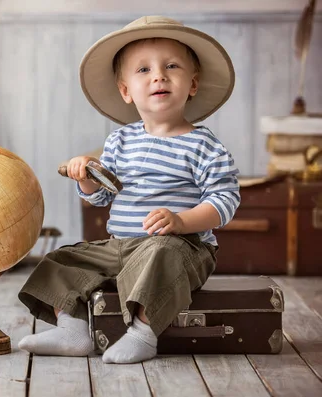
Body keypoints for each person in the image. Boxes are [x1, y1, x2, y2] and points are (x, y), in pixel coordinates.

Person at [17, 15, 241, 364]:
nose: (159, 76)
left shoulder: (203, 144)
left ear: (192, 84)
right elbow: (103, 195)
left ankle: (142, 333)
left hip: (182, 248)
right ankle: (72, 329)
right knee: (62, 259)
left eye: (171, 66)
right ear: (125, 91)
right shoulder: (121, 141)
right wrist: (86, 176)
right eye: (143, 70)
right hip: (120, 247)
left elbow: (225, 199)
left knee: (161, 254)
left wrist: (181, 221)